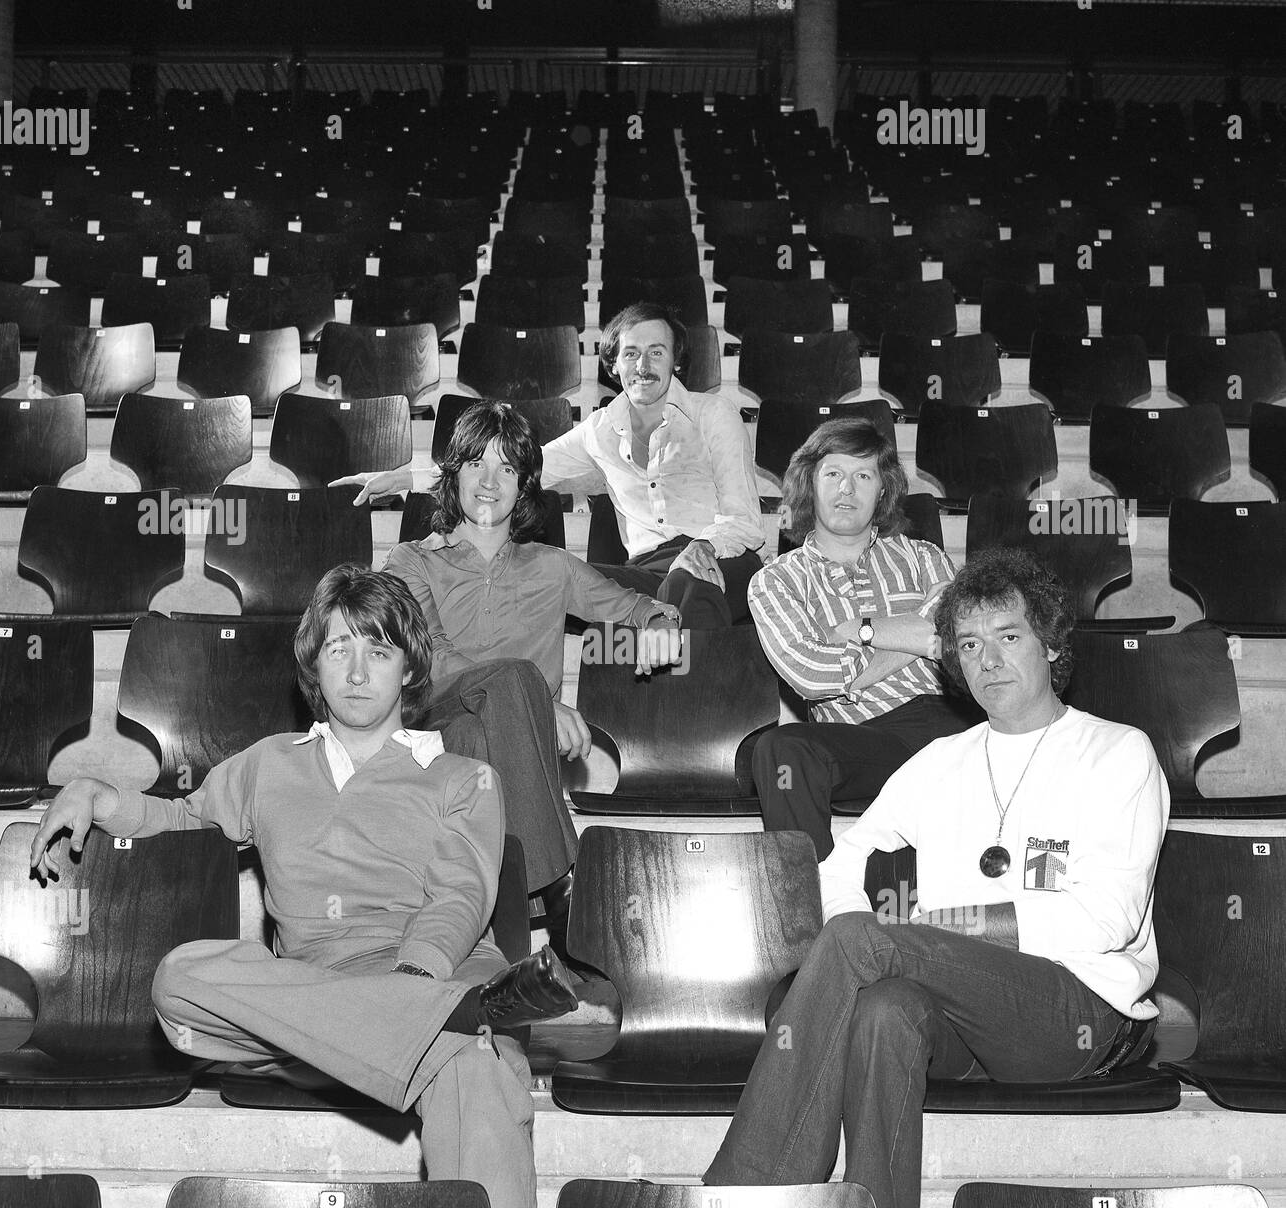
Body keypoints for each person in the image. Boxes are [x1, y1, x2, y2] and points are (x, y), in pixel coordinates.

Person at [29, 564, 581, 1208]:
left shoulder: (462, 778)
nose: (357, 671)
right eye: (340, 648)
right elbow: (185, 821)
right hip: (316, 1009)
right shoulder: (267, 765)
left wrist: (412, 985)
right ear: (313, 664)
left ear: (411, 665)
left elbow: (460, 894)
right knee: (180, 979)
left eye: (378, 651)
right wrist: (98, 793)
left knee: (478, 1073)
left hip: (436, 979)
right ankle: (437, 1028)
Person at [703, 548, 1170, 1208]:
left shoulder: (1118, 752)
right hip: (961, 1019)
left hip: (1077, 1011)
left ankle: (743, 1203)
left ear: (1051, 644)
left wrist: (949, 927)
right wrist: (904, 934)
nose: (987, 660)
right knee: (885, 1011)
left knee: (866, 942)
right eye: (969, 645)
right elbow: (838, 870)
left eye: (1008, 637)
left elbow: (1106, 918)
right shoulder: (940, 761)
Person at [384, 399, 684, 931]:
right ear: (454, 474)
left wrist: (661, 625)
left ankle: (507, 942)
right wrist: (541, 699)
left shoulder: (552, 567)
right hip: (432, 728)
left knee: (482, 749)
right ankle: (563, 889)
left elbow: (642, 608)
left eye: (507, 467)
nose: (489, 481)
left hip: (504, 751)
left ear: (524, 485)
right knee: (512, 685)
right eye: (477, 462)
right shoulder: (412, 560)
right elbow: (428, 653)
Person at [335, 302, 765, 628]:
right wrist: (400, 477)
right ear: (614, 364)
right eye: (631, 354)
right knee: (550, 575)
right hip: (651, 571)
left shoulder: (715, 413)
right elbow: (511, 468)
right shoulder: (598, 430)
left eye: (657, 352)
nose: (643, 366)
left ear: (676, 360)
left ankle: (686, 711)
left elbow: (744, 520)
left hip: (721, 562)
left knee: (685, 585)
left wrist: (704, 546)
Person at [748, 417, 974, 860]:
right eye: (833, 474)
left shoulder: (924, 557)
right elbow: (812, 675)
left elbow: (954, 638)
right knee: (781, 752)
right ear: (810, 487)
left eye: (863, 475)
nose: (846, 489)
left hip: (946, 725)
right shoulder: (775, 581)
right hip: (861, 741)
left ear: (883, 491)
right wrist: (915, 630)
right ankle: (818, 902)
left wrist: (860, 631)